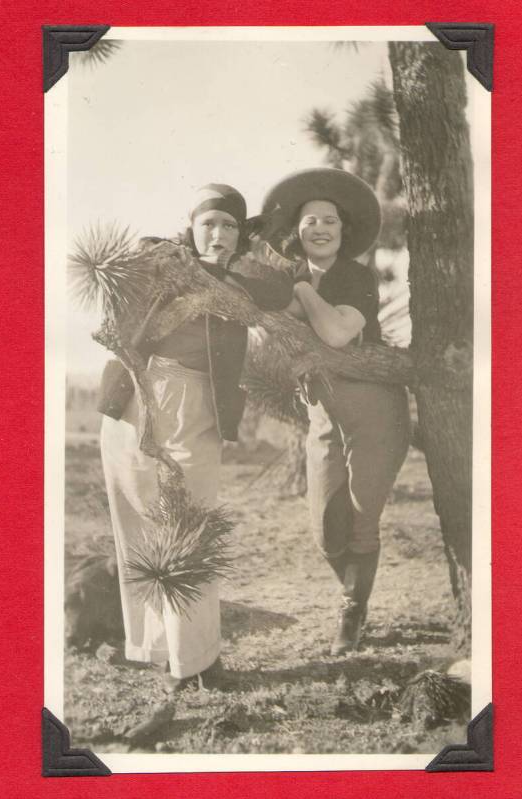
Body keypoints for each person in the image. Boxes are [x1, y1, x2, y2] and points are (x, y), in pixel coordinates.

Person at [100, 183, 292, 702]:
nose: (219, 233)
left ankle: (197, 661)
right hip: (132, 397)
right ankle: (155, 647)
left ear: (240, 235)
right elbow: (135, 258)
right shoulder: (164, 261)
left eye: (230, 225)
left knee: (191, 524)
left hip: (191, 401)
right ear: (191, 225)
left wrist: (249, 250)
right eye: (209, 223)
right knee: (137, 521)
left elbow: (280, 292)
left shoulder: (238, 284)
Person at [261, 168, 411, 655]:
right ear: (297, 231)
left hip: (373, 407)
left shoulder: (354, 275)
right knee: (327, 528)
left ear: (343, 231)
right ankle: (353, 592)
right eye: (310, 222)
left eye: (330, 221)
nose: (320, 229)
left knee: (364, 519)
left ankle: (353, 610)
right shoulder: (284, 279)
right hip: (324, 409)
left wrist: (303, 291)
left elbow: (337, 334)